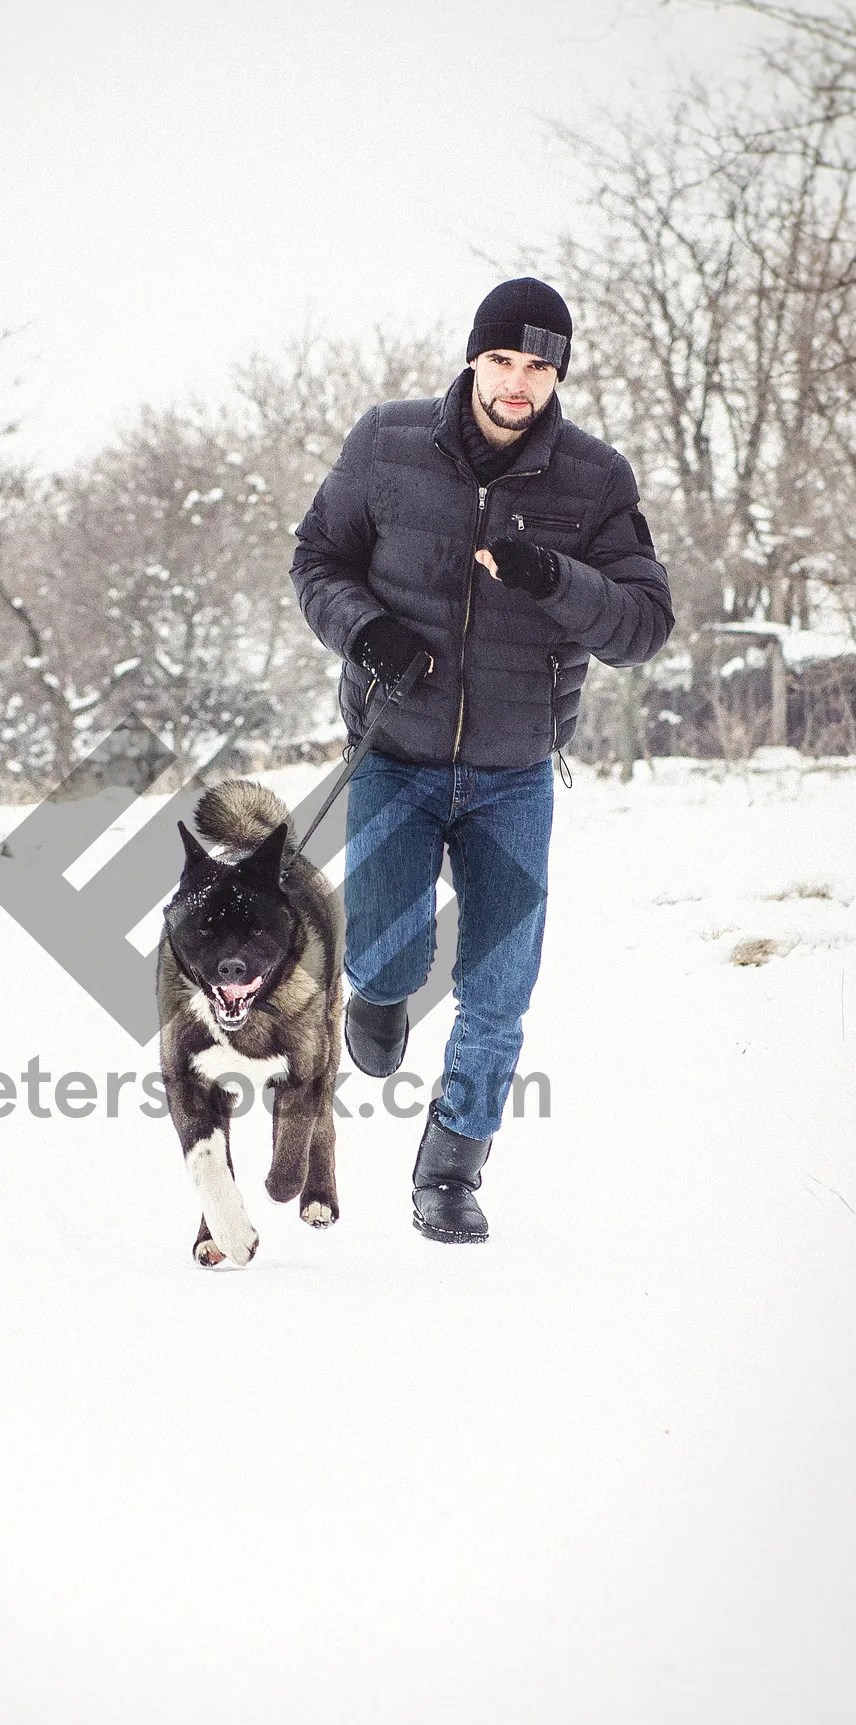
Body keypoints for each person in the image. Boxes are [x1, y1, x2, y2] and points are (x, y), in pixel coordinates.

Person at [290, 277, 674, 1244]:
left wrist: (558, 579)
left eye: (539, 366)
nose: (518, 384)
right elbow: (315, 563)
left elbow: (642, 625)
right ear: (473, 357)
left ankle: (451, 1169)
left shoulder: (594, 480)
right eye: (502, 360)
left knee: (501, 985)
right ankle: (376, 993)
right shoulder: (385, 443)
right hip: (396, 754)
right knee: (387, 951)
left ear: (559, 375)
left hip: (513, 772)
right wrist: (366, 632)